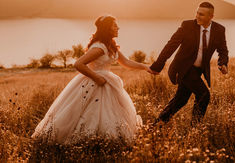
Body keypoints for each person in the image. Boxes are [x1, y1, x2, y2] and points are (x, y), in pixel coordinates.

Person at [32, 15, 155, 144]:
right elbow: (79, 64)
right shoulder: (99, 47)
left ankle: (107, 139)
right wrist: (97, 78)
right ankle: (87, 139)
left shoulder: (110, 45)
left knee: (109, 112)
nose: (118, 28)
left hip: (107, 82)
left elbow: (126, 62)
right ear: (107, 28)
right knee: (91, 113)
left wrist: (145, 67)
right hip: (93, 82)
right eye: (114, 25)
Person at [150, 2, 229, 125]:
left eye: (201, 14)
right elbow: (170, 46)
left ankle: (156, 125)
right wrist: (158, 65)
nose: (197, 16)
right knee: (203, 95)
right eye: (197, 12)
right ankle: (195, 128)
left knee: (181, 100)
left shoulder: (219, 30)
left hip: (197, 71)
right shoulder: (187, 26)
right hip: (182, 68)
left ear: (211, 16)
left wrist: (223, 63)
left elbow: (223, 50)